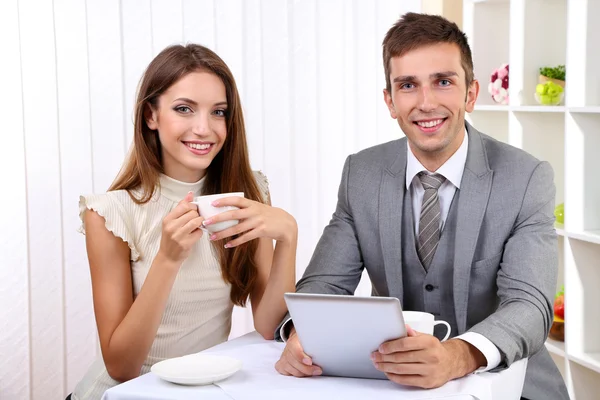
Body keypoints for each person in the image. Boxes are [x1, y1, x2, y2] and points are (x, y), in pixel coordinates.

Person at [274, 12, 568, 400]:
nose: (426, 103)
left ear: (470, 94)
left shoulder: (526, 177)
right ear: (390, 101)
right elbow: (323, 286)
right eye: (408, 85)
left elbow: (530, 306)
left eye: (443, 82)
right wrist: (301, 335)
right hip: (390, 386)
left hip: (508, 386)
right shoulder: (361, 173)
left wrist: (457, 355)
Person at [69, 44, 297, 400]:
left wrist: (287, 236)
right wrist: (168, 259)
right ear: (151, 116)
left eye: (218, 112)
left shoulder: (246, 194)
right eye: (184, 109)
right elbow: (121, 367)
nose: (204, 128)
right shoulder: (110, 213)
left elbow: (269, 327)